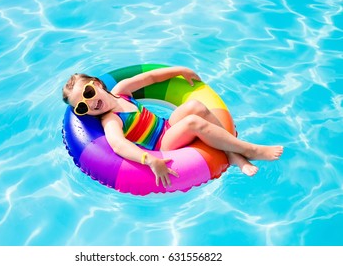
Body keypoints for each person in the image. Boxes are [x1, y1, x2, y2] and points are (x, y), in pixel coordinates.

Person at [62, 66, 283, 187]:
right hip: (162, 143)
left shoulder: (122, 90)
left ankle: (231, 153)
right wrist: (149, 159)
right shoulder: (111, 120)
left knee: (195, 105)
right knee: (192, 122)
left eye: (88, 93)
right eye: (82, 107)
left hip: (167, 125)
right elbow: (118, 145)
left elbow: (149, 77)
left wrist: (179, 71)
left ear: (98, 84)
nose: (90, 103)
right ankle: (249, 150)